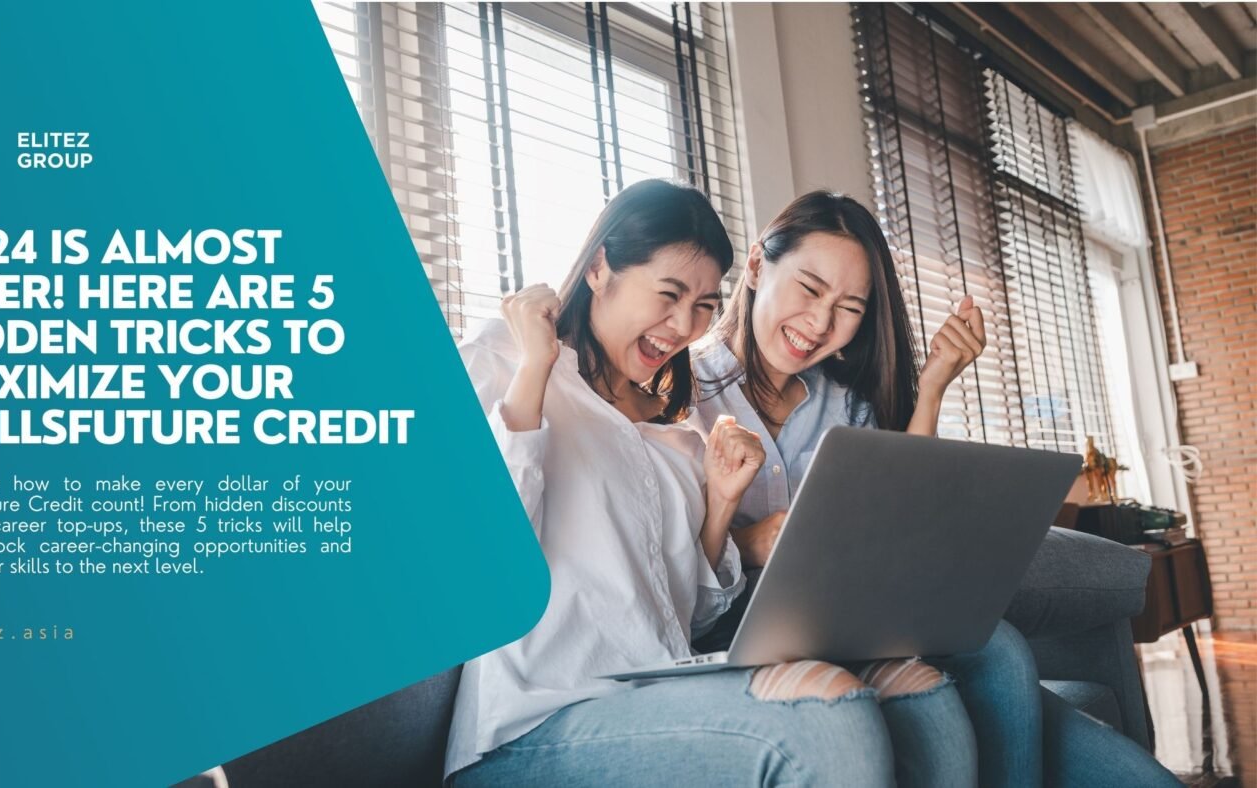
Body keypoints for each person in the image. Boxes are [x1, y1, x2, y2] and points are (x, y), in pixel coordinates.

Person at [446, 180, 976, 787]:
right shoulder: (507, 361)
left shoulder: (672, 431)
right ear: (599, 267)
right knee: (832, 720)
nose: (682, 325)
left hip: (660, 688)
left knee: (927, 704)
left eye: (702, 304)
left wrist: (721, 505)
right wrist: (536, 372)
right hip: (533, 718)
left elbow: (691, 617)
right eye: (669, 294)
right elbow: (476, 560)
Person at [691, 189, 1177, 787]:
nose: (820, 325)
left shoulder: (842, 403)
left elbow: (900, 511)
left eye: (850, 308)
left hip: (852, 619)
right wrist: (750, 540)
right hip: (739, 630)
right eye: (810, 289)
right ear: (760, 266)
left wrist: (934, 387)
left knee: (1001, 650)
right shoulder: (679, 386)